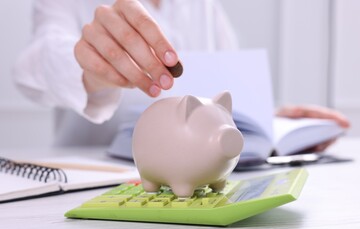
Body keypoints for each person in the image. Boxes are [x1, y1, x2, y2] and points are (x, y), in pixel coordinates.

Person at [14, 0, 349, 151]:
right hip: (95, 177)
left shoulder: (205, 7)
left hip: (195, 180)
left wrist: (273, 124)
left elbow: (220, 97)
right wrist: (93, 66)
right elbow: (33, 67)